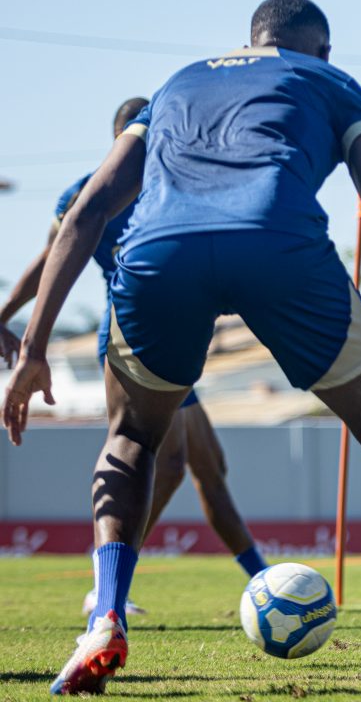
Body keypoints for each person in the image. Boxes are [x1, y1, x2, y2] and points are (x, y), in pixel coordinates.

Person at [3, 0, 361, 696]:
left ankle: (104, 616)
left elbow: (87, 211)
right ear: (319, 49)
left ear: (251, 39)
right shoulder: (334, 84)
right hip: (279, 246)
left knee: (132, 438)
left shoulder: (177, 84)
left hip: (159, 256)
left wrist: (37, 345)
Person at [0, 98, 269, 619]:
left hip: (178, 337)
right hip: (128, 339)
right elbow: (53, 261)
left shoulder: (181, 187)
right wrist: (8, 312)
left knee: (209, 469)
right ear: (122, 142)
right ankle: (107, 585)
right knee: (161, 460)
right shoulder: (88, 195)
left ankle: (264, 580)